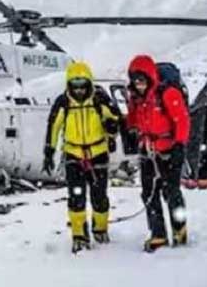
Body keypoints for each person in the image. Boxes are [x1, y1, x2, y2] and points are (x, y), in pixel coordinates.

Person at [43, 61, 120, 253]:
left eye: (82, 85)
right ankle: (79, 234)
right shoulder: (63, 102)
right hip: (73, 155)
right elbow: (53, 127)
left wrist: (112, 131)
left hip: (98, 154)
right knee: (76, 197)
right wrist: (49, 152)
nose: (78, 90)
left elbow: (116, 118)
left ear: (89, 83)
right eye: (74, 85)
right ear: (69, 85)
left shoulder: (99, 98)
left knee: (99, 197)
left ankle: (100, 229)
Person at [125, 54, 190, 252]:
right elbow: (133, 121)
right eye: (135, 81)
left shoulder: (167, 93)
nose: (139, 85)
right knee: (148, 193)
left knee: (171, 192)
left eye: (142, 80)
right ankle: (158, 233)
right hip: (148, 151)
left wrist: (179, 145)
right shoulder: (136, 99)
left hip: (170, 150)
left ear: (150, 77)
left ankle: (179, 228)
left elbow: (182, 120)